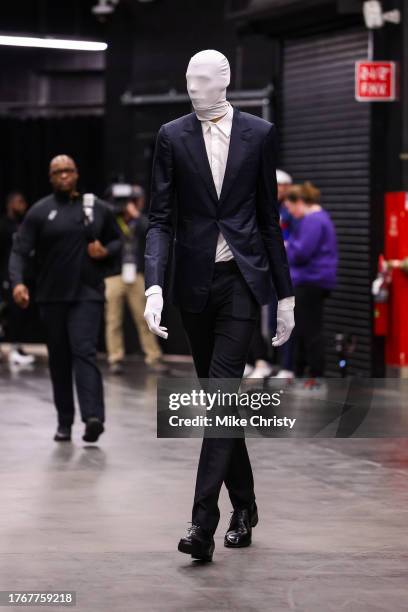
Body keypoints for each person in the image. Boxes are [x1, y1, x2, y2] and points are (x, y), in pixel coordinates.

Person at [144, 49, 295, 561]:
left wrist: (285, 295)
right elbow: (160, 219)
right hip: (192, 286)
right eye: (188, 78)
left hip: (240, 284)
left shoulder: (259, 134)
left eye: (203, 79)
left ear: (225, 82)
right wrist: (154, 286)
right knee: (221, 405)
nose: (193, 87)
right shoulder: (171, 136)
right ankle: (246, 506)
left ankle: (201, 524)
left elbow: (269, 219)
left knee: (224, 398)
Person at [9, 155, 121, 443]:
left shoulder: (95, 208)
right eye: (57, 172)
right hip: (51, 297)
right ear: (50, 177)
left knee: (83, 350)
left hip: (87, 293)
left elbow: (117, 239)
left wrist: (105, 251)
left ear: (76, 173)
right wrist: (18, 283)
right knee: (59, 359)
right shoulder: (39, 211)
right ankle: (64, 422)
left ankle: (93, 417)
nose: (63, 176)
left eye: (68, 171)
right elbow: (20, 251)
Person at [104, 186, 164, 374]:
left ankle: (153, 358)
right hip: (114, 275)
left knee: (145, 317)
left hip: (136, 274)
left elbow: (152, 232)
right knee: (113, 319)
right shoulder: (111, 220)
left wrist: (136, 215)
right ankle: (115, 358)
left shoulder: (139, 221)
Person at [285, 181, 338, 386]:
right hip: (313, 280)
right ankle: (305, 372)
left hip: (311, 280)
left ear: (299, 202)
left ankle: (315, 374)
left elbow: (300, 252)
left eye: (290, 208)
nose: (290, 212)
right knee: (305, 328)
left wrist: (286, 245)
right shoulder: (318, 219)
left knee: (310, 329)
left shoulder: (313, 221)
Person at [0, 192, 36, 366]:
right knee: (9, 313)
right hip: (7, 276)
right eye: (19, 202)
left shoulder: (24, 225)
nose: (23, 205)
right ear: (10, 204)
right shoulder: (3, 225)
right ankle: (12, 349)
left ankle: (17, 347)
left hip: (25, 275)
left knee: (21, 313)